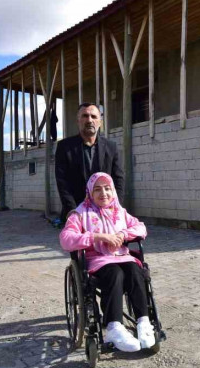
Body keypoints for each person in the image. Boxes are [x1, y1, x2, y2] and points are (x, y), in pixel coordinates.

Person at [59, 172, 153, 352]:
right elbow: (66, 239)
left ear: (113, 191)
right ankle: (114, 327)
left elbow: (141, 227)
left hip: (122, 256)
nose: (104, 193)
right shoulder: (80, 214)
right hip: (98, 261)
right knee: (114, 273)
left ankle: (144, 323)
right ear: (90, 193)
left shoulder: (120, 212)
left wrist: (122, 234)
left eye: (107, 188)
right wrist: (97, 236)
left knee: (135, 270)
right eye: (98, 189)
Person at [55, 103, 125, 223]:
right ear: (78, 121)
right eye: (85, 116)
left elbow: (118, 180)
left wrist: (114, 208)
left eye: (94, 116)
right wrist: (73, 211)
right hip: (77, 214)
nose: (89, 120)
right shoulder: (64, 147)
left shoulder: (111, 147)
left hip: (105, 214)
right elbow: (62, 182)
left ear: (100, 122)